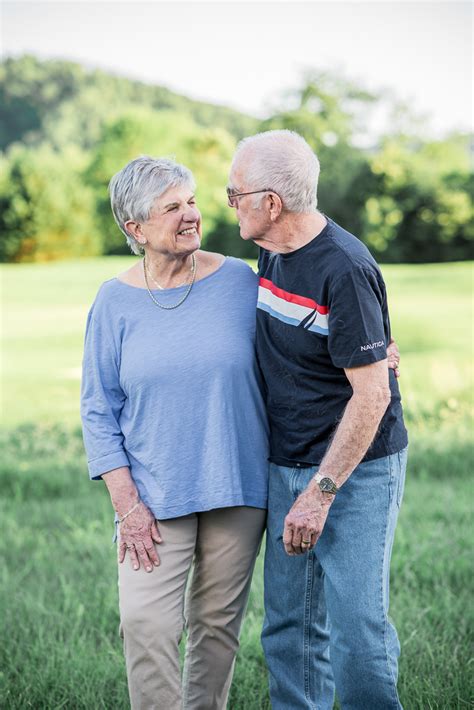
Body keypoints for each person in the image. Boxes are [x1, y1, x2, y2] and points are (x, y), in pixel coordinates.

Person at [227, 129, 408, 709]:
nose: (228, 203)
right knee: (289, 627)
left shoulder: (345, 268)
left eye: (235, 194)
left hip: (354, 471)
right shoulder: (272, 248)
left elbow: (371, 396)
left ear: (270, 203)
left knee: (358, 631)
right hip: (286, 461)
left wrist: (320, 493)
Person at [80, 156, 269, 710]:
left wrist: (372, 347)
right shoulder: (113, 301)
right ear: (135, 229)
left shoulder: (240, 280)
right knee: (146, 625)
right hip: (152, 496)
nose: (190, 215)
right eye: (172, 207)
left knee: (216, 629)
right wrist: (126, 504)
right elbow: (98, 409)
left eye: (191, 201)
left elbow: (300, 343)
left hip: (237, 484)